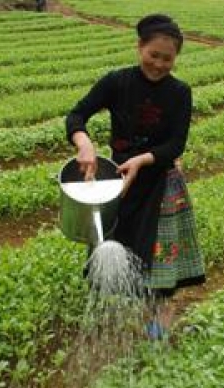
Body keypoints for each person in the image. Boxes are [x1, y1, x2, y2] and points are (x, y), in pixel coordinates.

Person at [65, 14, 206, 338]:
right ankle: (108, 313)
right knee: (111, 244)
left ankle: (160, 316)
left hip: (160, 181)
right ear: (139, 47)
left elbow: (176, 143)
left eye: (167, 59)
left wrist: (143, 159)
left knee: (158, 256)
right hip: (118, 181)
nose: (158, 64)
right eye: (153, 55)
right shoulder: (117, 82)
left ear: (176, 58)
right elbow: (77, 115)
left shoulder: (180, 92)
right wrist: (83, 141)